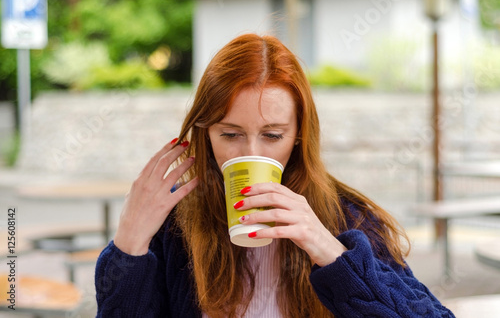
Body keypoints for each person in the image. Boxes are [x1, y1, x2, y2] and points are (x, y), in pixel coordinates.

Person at [95, 33, 454, 318]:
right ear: (205, 133)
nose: (250, 154)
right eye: (230, 134)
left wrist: (330, 252)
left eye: (272, 135)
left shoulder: (348, 220)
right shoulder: (175, 228)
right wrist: (129, 245)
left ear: (298, 136)